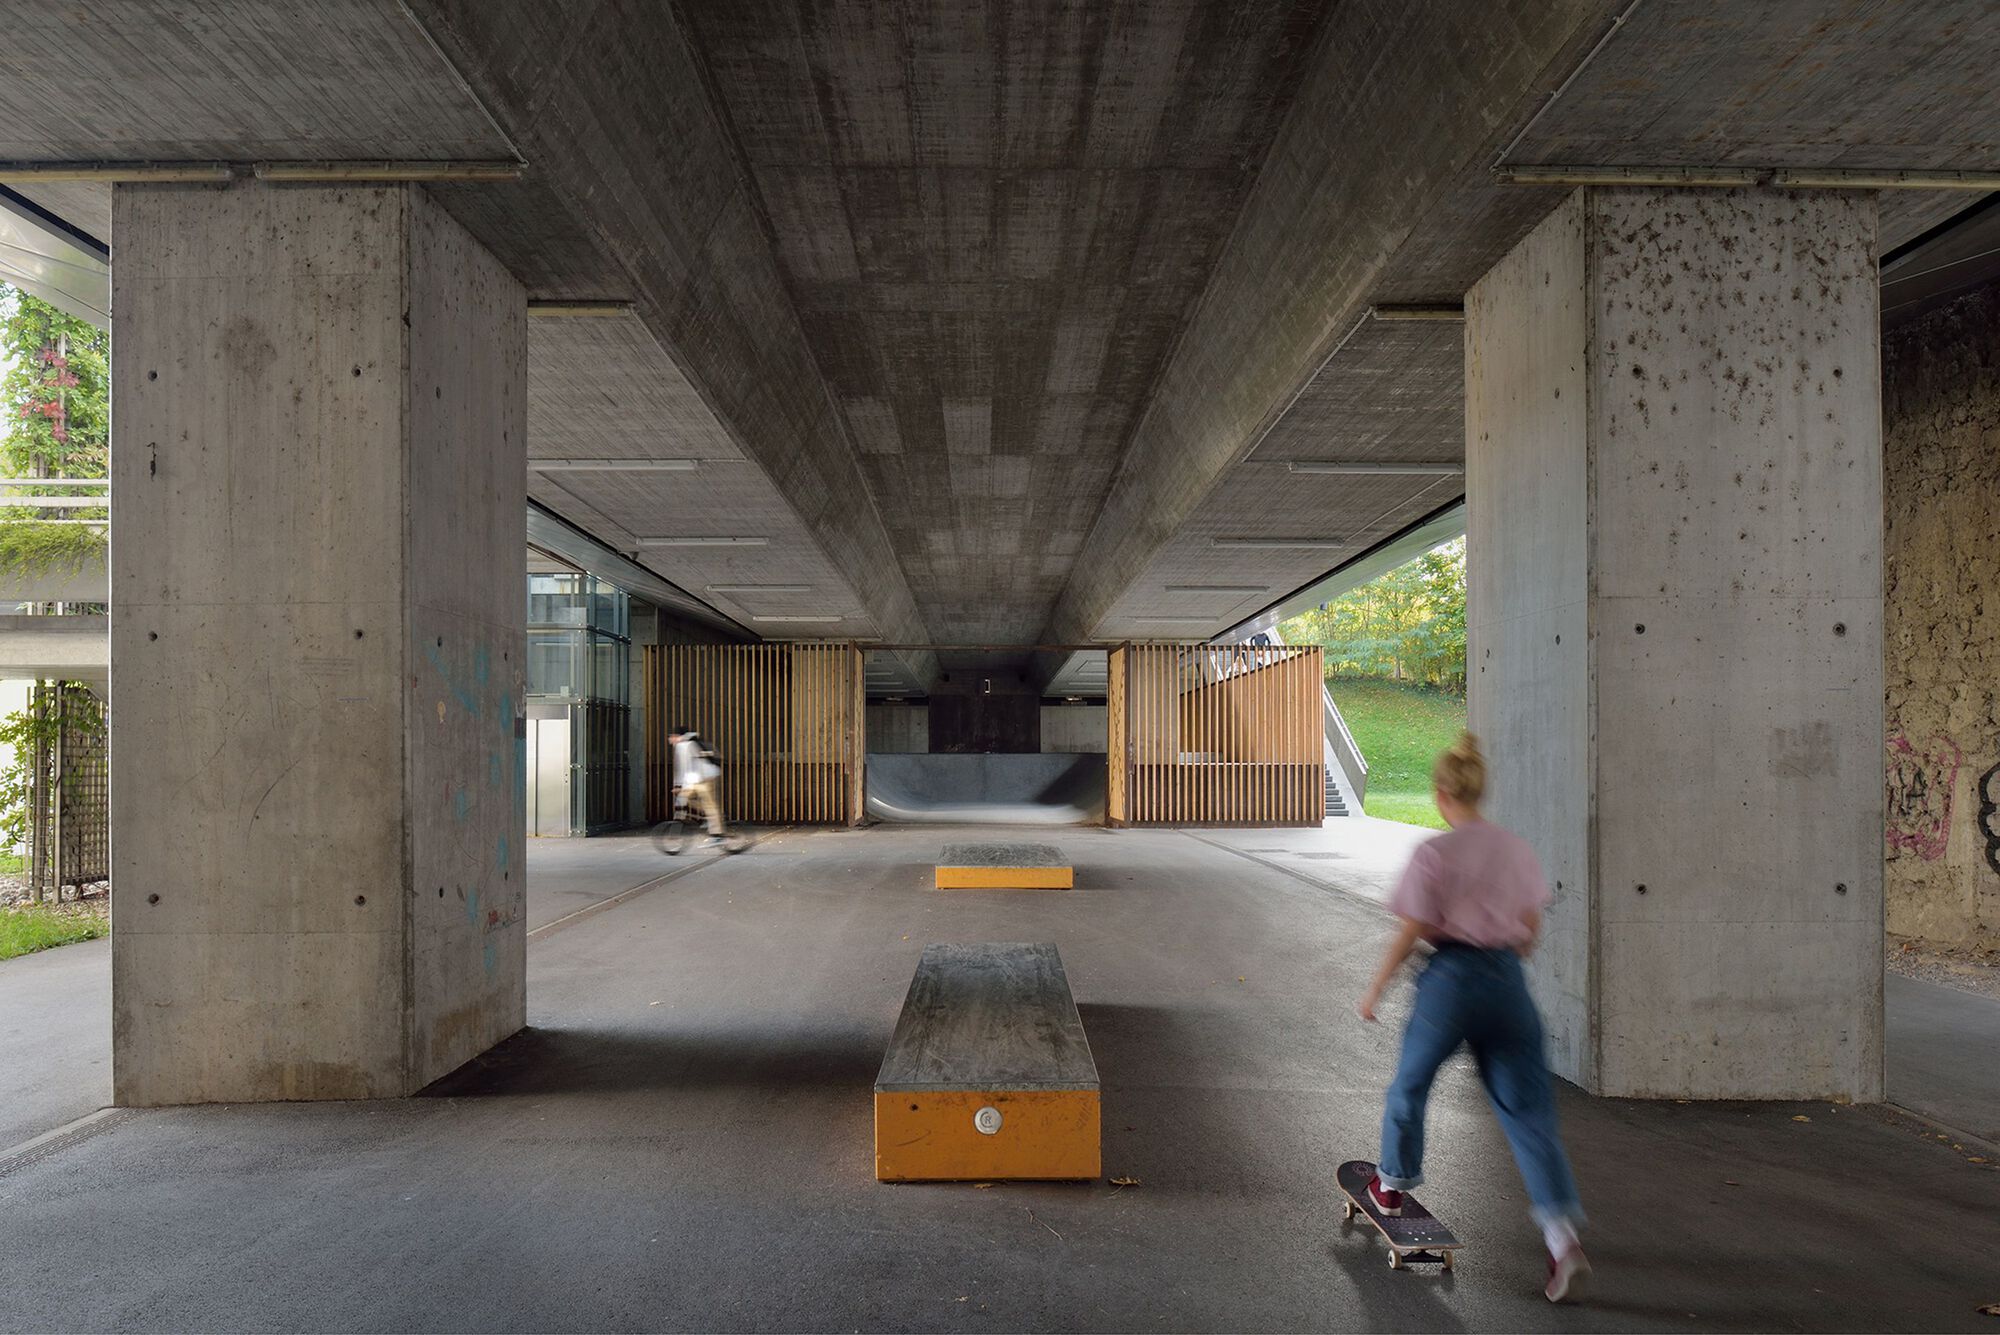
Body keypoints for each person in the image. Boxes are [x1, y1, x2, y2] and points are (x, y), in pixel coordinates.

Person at [1357, 732, 1590, 1303]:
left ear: (1441, 795)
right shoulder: (1515, 849)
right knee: (1528, 1111)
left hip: (1451, 983)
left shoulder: (1434, 854)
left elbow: (1412, 928)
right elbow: (1530, 928)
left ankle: (1390, 1188)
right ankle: (1562, 1242)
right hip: (1507, 983)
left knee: (1410, 1088)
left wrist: (1376, 989)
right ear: (1479, 791)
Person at [669, 725, 726, 845]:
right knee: (687, 799)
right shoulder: (682, 745)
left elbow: (686, 767)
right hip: (697, 778)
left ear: (678, 737)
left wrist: (681, 786)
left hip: (706, 777)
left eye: (672, 736)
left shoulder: (686, 745)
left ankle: (717, 835)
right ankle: (712, 816)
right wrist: (680, 786)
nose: (670, 739)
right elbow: (682, 769)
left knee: (708, 804)